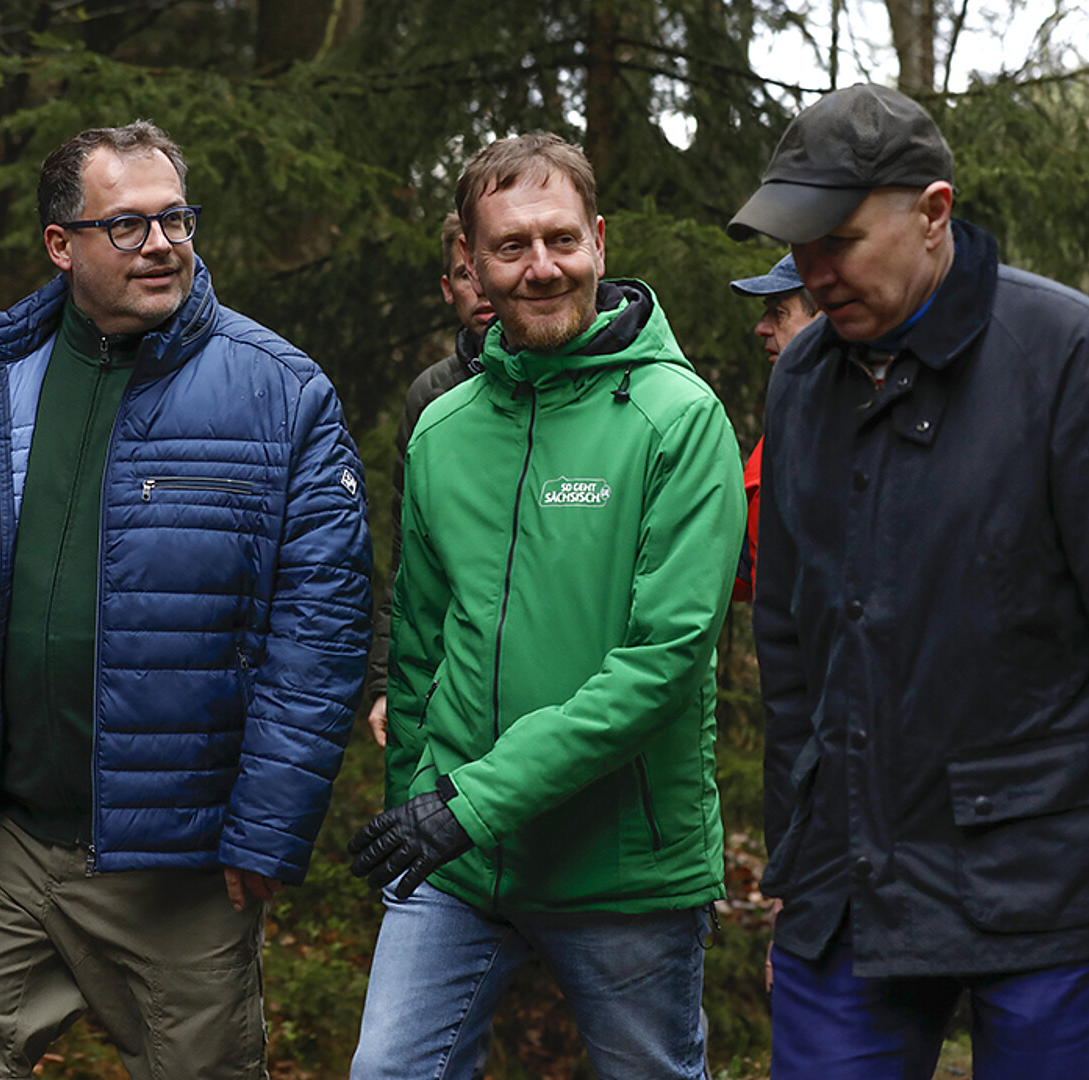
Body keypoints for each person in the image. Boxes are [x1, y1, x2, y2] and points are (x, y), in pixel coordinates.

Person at [727, 83, 1089, 1079]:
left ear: (934, 213)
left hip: (1050, 882)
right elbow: (790, 642)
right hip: (851, 880)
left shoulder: (1070, 356)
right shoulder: (801, 381)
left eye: (838, 239)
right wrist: (795, 863)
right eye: (799, 244)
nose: (814, 271)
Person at [0, 121, 372, 1079]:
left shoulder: (280, 393)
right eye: (128, 225)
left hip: (175, 865)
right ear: (62, 245)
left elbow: (321, 630)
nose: (163, 244)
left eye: (176, 219)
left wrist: (268, 828)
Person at [346, 132, 744, 1080]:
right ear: (471, 263)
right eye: (511, 246)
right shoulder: (443, 429)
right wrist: (414, 817)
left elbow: (661, 665)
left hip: (621, 866)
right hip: (457, 864)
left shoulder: (677, 419)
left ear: (598, 241)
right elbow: (418, 650)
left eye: (560, 239)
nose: (541, 267)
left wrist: (467, 805)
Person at [363, 211, 491, 760]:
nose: (480, 287)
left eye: (487, 267)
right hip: (450, 669)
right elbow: (408, 555)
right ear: (447, 288)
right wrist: (385, 680)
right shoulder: (431, 397)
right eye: (465, 275)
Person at [727, 253, 819, 602]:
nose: (762, 328)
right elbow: (750, 569)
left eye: (779, 313)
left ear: (826, 319)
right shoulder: (783, 428)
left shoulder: (860, 429)